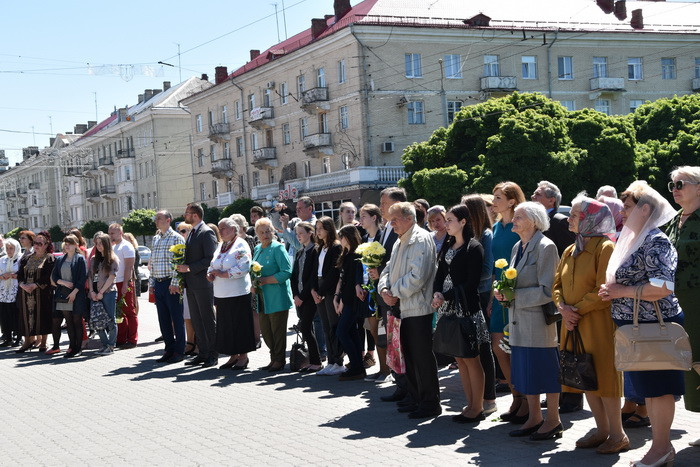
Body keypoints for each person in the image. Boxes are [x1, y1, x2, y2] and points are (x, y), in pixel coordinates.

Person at [600, 182, 684, 467]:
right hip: (638, 329)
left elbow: (663, 287)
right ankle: (661, 448)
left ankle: (661, 448)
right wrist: (613, 291)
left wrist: (620, 292)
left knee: (659, 391)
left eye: (627, 207)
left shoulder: (656, 241)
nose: (622, 213)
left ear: (645, 209)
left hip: (653, 329)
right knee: (651, 391)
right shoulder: (637, 239)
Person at [553, 195, 628, 454]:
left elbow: (604, 290)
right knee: (586, 376)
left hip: (596, 323)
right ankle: (602, 430)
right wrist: (563, 308)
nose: (569, 219)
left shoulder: (604, 247)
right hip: (572, 322)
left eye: (574, 215)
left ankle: (618, 435)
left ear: (589, 219)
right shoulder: (570, 249)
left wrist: (575, 310)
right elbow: (556, 286)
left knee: (605, 378)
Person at [495, 202, 561, 441]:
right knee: (526, 373)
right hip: (518, 322)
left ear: (533, 221)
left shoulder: (546, 246)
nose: (514, 219)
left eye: (519, 216)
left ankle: (553, 420)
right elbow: (514, 282)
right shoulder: (517, 246)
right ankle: (534, 418)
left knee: (545, 372)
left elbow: (548, 291)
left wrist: (514, 296)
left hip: (537, 324)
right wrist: (502, 292)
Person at [378, 202, 440, 419]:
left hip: (417, 309)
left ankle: (430, 402)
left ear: (409, 218)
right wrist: (384, 288)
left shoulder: (421, 239)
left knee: (421, 357)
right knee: (409, 357)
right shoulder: (400, 240)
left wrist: (393, 291)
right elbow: (387, 268)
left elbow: (418, 276)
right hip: (402, 307)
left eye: (394, 220)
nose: (390, 224)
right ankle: (415, 398)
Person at [432, 205, 489, 423]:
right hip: (447, 305)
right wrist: (437, 292)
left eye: (450, 220)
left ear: (463, 222)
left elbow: (472, 282)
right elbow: (440, 273)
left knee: (472, 358)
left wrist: (446, 295)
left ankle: (478, 406)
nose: (445, 224)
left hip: (466, 307)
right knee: (459, 357)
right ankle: (469, 403)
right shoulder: (447, 244)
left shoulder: (474, 248)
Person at [532, 180, 580, 414]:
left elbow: (568, 259)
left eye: (538, 194)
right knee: (555, 345)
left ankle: (571, 398)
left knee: (565, 345)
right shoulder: (539, 224)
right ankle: (558, 393)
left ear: (552, 200)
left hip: (561, 293)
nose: (533, 197)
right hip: (549, 291)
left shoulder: (559, 222)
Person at [665, 166, 700, 436]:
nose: (675, 190)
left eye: (681, 184)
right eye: (673, 185)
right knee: (690, 361)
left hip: (698, 299)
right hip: (678, 302)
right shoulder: (674, 219)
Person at [489, 181, 525, 420]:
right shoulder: (496, 227)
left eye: (499, 197)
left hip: (518, 293)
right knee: (497, 344)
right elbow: (494, 263)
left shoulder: (519, 224)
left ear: (512, 201)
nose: (494, 202)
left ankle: (524, 400)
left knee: (516, 349)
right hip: (499, 292)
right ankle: (516, 396)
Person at [462, 194, 498, 416]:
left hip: (481, 296)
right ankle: (476, 398)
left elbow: (488, 271)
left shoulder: (486, 235)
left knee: (484, 349)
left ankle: (490, 399)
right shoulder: (468, 235)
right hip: (469, 295)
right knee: (471, 350)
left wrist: (465, 281)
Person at [373, 187, 408, 403]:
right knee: (392, 340)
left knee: (400, 342)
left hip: (399, 295)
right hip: (386, 291)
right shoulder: (386, 228)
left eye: (384, 203)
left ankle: (406, 387)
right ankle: (399, 383)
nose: (381, 207)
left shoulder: (405, 230)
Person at [209, 217, 255, 371]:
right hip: (222, 294)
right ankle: (233, 354)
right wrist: (210, 273)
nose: (220, 231)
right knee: (226, 327)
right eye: (219, 228)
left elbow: (243, 267)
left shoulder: (240, 244)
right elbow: (213, 263)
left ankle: (243, 356)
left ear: (233, 229)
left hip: (237, 293)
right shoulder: (221, 245)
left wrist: (222, 274)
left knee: (239, 325)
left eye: (223, 228)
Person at [180, 203, 219, 368]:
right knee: (196, 320)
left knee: (207, 320)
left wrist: (189, 267)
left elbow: (210, 258)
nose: (185, 216)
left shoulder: (206, 232)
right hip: (191, 284)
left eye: (187, 213)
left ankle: (213, 354)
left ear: (195, 215)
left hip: (203, 283)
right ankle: (202, 352)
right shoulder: (192, 232)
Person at [252, 217, 294, 372]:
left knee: (277, 331)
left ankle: (279, 359)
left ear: (273, 231)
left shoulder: (278, 248)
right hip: (262, 297)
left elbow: (287, 272)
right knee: (267, 332)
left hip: (277, 296)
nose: (265, 235)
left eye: (268, 231)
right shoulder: (257, 249)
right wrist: (253, 283)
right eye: (262, 232)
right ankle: (273, 358)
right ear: (257, 234)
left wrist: (266, 280)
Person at [359, 204, 390, 382]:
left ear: (374, 218)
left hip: (380, 288)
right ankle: (381, 367)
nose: (361, 219)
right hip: (367, 290)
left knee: (383, 331)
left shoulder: (382, 237)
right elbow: (359, 264)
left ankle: (388, 369)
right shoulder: (364, 238)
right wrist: (359, 284)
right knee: (373, 330)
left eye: (364, 216)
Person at [150, 211, 186, 364]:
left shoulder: (176, 238)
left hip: (171, 282)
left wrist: (175, 283)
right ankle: (168, 348)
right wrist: (151, 284)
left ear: (168, 220)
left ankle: (179, 350)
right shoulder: (156, 238)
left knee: (176, 317)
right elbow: (153, 263)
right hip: (158, 282)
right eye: (156, 218)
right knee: (163, 319)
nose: (156, 221)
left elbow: (179, 261)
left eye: (159, 218)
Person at [312, 217, 344, 376]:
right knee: (325, 326)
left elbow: (334, 272)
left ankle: (338, 361)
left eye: (321, 228)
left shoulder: (335, 247)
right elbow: (315, 270)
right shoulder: (320, 247)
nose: (318, 231)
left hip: (329, 289)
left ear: (329, 229)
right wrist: (314, 289)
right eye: (316, 228)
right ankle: (331, 361)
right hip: (320, 288)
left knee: (333, 326)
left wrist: (321, 291)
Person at [333, 225, 366, 380]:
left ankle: (357, 366)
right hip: (348, 300)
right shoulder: (347, 255)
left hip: (352, 301)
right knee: (351, 333)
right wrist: (337, 298)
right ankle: (357, 365)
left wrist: (342, 303)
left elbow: (351, 283)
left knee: (342, 332)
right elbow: (344, 280)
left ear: (349, 237)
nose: (340, 240)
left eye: (342, 237)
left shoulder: (354, 256)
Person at [48, 235, 88, 358]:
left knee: (77, 321)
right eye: (66, 243)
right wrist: (63, 282)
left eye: (70, 243)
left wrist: (74, 292)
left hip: (77, 294)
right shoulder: (60, 259)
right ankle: (71, 347)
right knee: (69, 322)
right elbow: (54, 277)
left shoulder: (80, 259)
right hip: (63, 294)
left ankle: (78, 347)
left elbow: (83, 278)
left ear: (76, 245)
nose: (67, 245)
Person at [16, 231, 55, 353]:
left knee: (42, 316)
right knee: (25, 317)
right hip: (25, 294)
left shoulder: (49, 258)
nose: (36, 245)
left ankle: (43, 342)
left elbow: (48, 276)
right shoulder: (27, 258)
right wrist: (22, 284)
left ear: (46, 244)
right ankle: (28, 341)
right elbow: (20, 274)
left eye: (39, 243)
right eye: (35, 243)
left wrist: (35, 285)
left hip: (42, 293)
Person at [290, 222, 322, 372]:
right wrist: (295, 294)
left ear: (310, 233)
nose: (299, 236)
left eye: (301, 233)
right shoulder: (299, 252)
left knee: (306, 327)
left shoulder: (314, 251)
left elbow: (312, 277)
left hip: (309, 297)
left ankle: (316, 361)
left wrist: (302, 296)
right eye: (297, 233)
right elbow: (294, 276)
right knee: (306, 329)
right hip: (300, 298)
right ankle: (313, 359)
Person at [230, 214, 261, 349]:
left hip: (250, 279)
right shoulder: (231, 243)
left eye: (236, 225)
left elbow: (255, 259)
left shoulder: (250, 240)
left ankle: (256, 338)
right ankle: (243, 338)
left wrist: (254, 280)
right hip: (235, 282)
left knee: (254, 310)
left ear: (242, 226)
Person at [108, 223, 137, 349]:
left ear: (120, 232)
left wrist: (125, 283)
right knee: (119, 313)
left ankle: (132, 339)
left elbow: (129, 267)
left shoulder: (127, 246)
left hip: (124, 282)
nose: (110, 236)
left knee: (129, 312)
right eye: (109, 233)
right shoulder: (113, 247)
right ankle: (121, 338)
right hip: (115, 282)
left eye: (112, 233)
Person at [90, 233, 119, 356]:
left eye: (101, 243)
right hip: (95, 294)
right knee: (98, 320)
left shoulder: (112, 259)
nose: (99, 246)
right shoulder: (93, 260)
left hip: (108, 293)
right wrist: (92, 291)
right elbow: (90, 277)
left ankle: (111, 345)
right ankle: (104, 344)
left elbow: (111, 278)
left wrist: (101, 292)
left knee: (110, 320)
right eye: (97, 243)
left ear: (106, 244)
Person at [175, 222, 197, 356]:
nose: (181, 234)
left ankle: (198, 343)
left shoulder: (192, 247)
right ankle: (190, 342)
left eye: (183, 231)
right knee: (187, 317)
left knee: (196, 316)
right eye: (179, 231)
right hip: (184, 286)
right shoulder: (179, 248)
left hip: (195, 285)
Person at [0, 239, 21, 347]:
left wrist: (13, 275)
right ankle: (7, 337)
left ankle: (18, 337)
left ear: (16, 248)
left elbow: (22, 274)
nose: (9, 250)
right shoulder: (2, 259)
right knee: (5, 314)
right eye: (7, 248)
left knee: (15, 314)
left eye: (11, 248)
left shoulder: (20, 259)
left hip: (15, 290)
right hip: (4, 291)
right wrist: (2, 276)